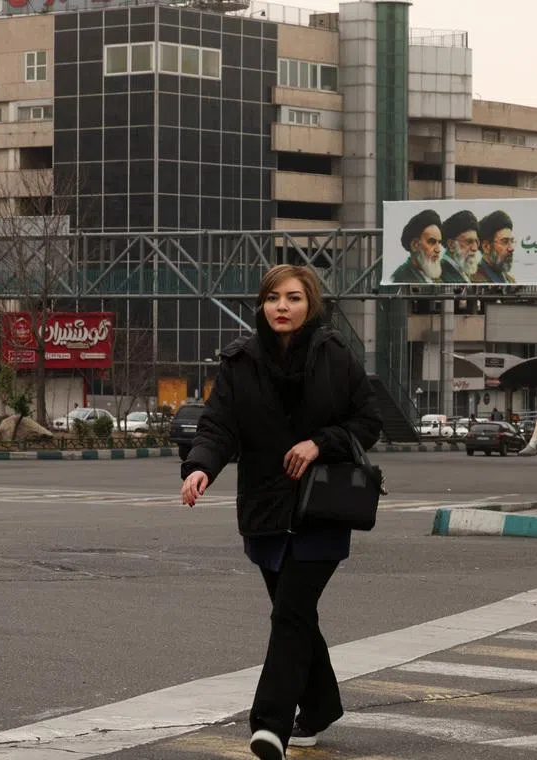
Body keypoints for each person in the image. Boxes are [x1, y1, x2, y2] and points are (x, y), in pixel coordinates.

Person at [179, 264, 382, 760]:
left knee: (290, 612)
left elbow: (367, 421)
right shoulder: (239, 362)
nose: (282, 307)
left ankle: (270, 724)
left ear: (310, 304)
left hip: (323, 509)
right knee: (295, 615)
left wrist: (320, 442)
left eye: (293, 298)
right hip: (267, 509)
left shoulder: (334, 355)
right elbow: (218, 426)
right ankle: (320, 706)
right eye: (273, 298)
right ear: (262, 305)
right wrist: (200, 467)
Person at [390, 209, 444, 283]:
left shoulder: (432, 277)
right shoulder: (401, 278)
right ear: (415, 245)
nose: (438, 249)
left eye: (439, 242)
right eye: (432, 242)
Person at [471, 210, 517, 284]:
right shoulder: (473, 280)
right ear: (486, 247)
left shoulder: (510, 280)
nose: (511, 248)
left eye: (512, 241)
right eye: (505, 242)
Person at [439, 210, 481, 283]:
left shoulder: (462, 270)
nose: (475, 248)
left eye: (476, 242)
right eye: (469, 242)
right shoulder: (441, 274)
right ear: (451, 245)